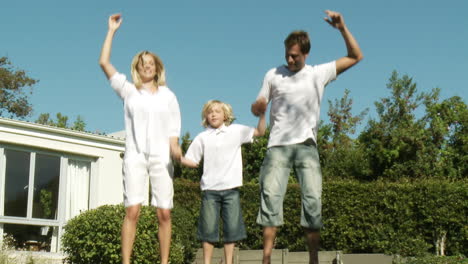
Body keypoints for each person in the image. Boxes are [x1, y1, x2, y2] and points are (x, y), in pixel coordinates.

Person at [251, 10, 363, 264]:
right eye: (287, 55)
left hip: (306, 146)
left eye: (295, 56)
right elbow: (259, 101)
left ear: (306, 54)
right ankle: (266, 259)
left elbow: (356, 56)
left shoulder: (317, 73)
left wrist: (342, 28)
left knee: (312, 200)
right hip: (278, 146)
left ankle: (313, 259)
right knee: (270, 198)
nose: (290, 60)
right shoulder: (273, 75)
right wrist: (258, 106)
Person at [99, 13, 182, 264]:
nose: (147, 66)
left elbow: (173, 132)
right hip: (135, 155)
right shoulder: (128, 91)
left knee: (164, 213)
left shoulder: (168, 96)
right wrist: (111, 31)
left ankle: (164, 262)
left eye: (151, 63)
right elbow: (104, 62)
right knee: (132, 211)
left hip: (160, 157)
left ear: (157, 68)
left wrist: (176, 151)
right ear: (137, 68)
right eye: (143, 63)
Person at [181, 100, 266, 264]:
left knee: (232, 231)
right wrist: (178, 157)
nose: (213, 114)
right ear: (206, 116)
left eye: (217, 111)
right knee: (208, 231)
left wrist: (262, 114)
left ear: (225, 115)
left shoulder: (236, 131)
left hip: (231, 189)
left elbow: (260, 132)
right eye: (210, 112)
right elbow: (192, 161)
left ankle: (229, 262)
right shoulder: (202, 137)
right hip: (210, 190)